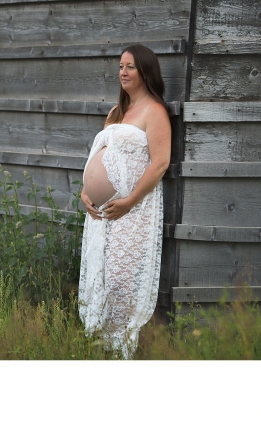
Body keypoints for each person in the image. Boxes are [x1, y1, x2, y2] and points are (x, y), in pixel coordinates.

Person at [78, 44, 171, 358]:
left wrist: (129, 201)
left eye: (130, 66)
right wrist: (86, 192)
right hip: (101, 215)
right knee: (101, 277)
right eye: (120, 66)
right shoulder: (116, 112)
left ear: (145, 71)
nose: (123, 72)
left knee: (120, 280)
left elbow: (160, 163)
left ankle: (122, 350)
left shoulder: (154, 111)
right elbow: (100, 156)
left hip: (132, 211)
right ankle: (100, 347)